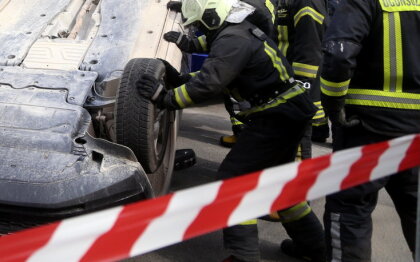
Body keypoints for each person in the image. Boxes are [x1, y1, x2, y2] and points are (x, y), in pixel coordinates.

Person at [137, 0, 326, 261]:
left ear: (213, 18)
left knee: (232, 180)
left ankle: (243, 255)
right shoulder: (237, 32)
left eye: (201, 25)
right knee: (281, 186)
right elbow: (222, 74)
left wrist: (165, 98)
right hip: (287, 113)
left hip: (276, 117)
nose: (200, 31)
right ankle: (314, 249)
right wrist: (180, 81)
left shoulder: (232, 39)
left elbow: (209, 84)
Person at [320, 0, 420, 260]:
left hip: (366, 125)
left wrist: (333, 104)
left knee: (350, 208)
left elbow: (339, 54)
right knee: (416, 206)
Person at [164, 0, 278, 148]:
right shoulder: (233, 20)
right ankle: (242, 133)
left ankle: (247, 134)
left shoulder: (246, 16)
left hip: (255, 66)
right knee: (229, 84)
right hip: (246, 47)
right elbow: (219, 34)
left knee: (237, 89)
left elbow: (212, 78)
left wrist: (165, 99)